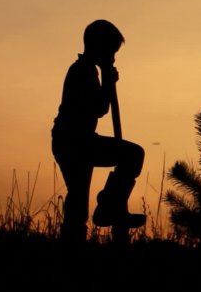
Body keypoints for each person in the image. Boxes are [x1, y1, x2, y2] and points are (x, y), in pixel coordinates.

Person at [51, 19, 146, 243]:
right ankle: (108, 207)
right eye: (111, 52)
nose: (113, 58)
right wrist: (108, 80)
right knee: (132, 155)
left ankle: (106, 210)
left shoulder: (85, 70)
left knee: (77, 195)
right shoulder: (82, 71)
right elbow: (100, 107)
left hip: (76, 141)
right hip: (75, 142)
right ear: (98, 47)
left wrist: (106, 78)